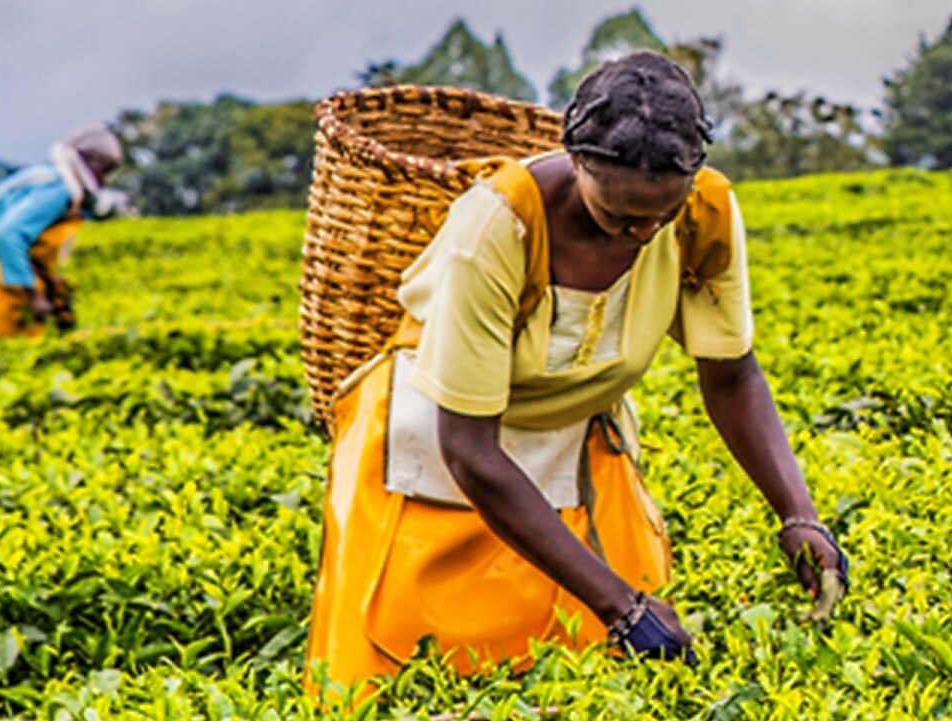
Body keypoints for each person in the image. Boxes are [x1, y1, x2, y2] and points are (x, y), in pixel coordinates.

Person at [304, 51, 850, 691]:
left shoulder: (703, 215)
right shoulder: (497, 226)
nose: (642, 232)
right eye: (618, 215)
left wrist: (799, 514)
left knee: (600, 674)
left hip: (574, 442)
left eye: (660, 214)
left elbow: (731, 375)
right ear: (577, 161)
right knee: (403, 671)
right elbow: (469, 449)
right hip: (436, 445)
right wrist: (621, 606)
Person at [0, 124, 132, 344]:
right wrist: (32, 294)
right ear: (89, 159)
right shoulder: (58, 188)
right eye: (106, 170)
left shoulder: (45, 177)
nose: (104, 179)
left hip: (4, 276)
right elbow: (8, 233)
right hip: (2, 282)